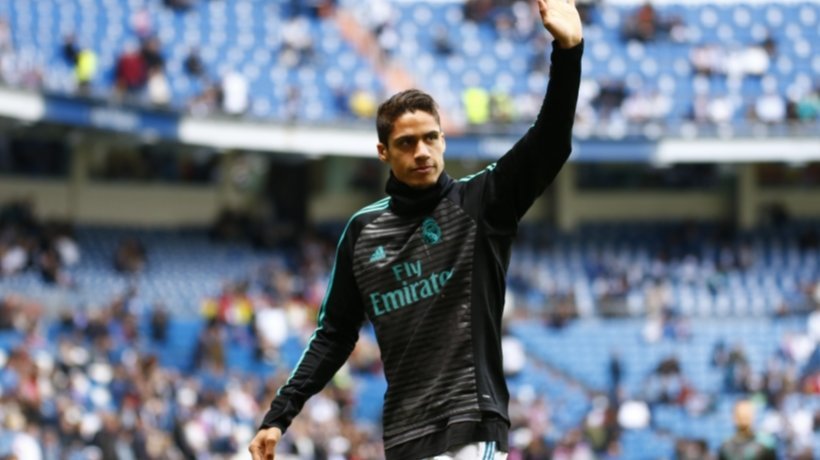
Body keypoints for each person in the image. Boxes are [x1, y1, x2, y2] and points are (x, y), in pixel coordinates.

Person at [249, 0, 583, 458]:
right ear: (383, 152)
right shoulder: (362, 232)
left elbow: (551, 143)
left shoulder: (481, 204)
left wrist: (568, 53)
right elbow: (334, 335)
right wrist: (279, 415)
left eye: (430, 138)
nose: (422, 151)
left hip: (471, 428)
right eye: (406, 143)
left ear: (443, 140)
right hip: (405, 438)